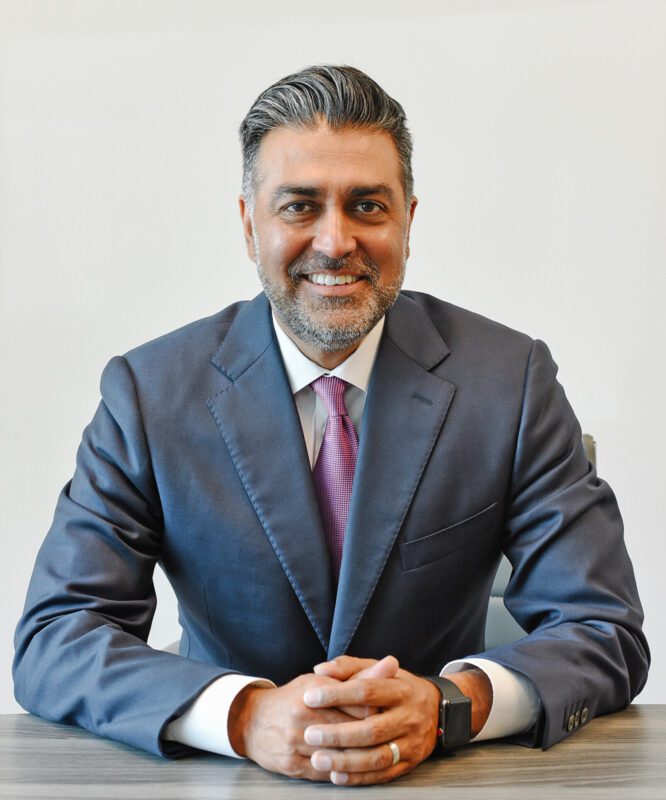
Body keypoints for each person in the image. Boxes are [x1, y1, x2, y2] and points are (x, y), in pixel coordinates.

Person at [13, 65, 649, 786]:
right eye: (300, 206)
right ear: (249, 224)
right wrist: (245, 715)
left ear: (408, 219)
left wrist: (450, 703)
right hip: (223, 780)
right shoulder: (150, 394)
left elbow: (602, 629)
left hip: (439, 781)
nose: (336, 240)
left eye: (367, 205)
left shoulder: (510, 383)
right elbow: (56, 638)